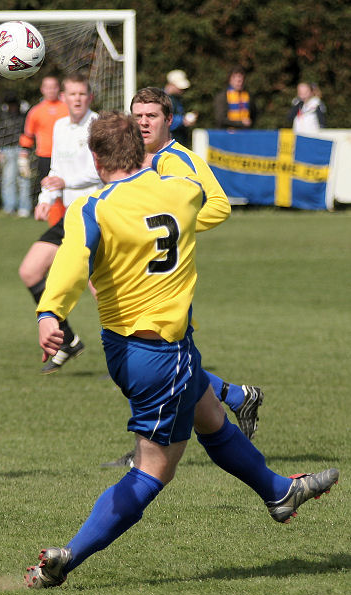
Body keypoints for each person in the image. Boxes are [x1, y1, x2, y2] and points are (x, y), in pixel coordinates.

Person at [24, 112, 339, 589]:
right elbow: (208, 197)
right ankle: (68, 556)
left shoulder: (93, 208)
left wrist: (50, 311)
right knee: (153, 469)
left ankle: (280, 493)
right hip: (158, 356)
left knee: (211, 416)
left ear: (95, 157)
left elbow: (69, 264)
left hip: (142, 348)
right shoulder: (180, 191)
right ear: (143, 150)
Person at [101, 87, 264, 469]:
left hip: (167, 278)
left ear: (168, 119)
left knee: (153, 355)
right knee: (165, 358)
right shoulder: (135, 159)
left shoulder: (179, 160)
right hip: (138, 275)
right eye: (137, 115)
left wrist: (180, 230)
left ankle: (149, 448)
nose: (143, 122)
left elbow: (219, 204)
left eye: (151, 116)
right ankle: (237, 397)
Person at [18, 73, 102, 374]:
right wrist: (45, 198)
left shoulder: (99, 125)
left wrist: (66, 181)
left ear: (90, 97)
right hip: (70, 215)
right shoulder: (60, 126)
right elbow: (55, 170)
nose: (77, 98)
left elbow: (103, 172)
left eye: (82, 93)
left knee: (99, 289)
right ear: (63, 98)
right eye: (72, 94)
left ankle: (136, 352)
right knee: (30, 271)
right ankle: (67, 340)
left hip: (96, 215)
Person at [19, 75, 68, 218]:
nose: (51, 90)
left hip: (66, 155)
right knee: (48, 188)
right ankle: (52, 217)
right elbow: (28, 135)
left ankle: (68, 215)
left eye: (54, 87)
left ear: (58, 89)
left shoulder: (68, 108)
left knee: (66, 187)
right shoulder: (36, 111)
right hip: (45, 156)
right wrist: (23, 157)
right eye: (48, 87)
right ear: (42, 89)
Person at [0, 93, 31, 217]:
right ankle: (9, 207)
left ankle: (24, 208)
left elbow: (28, 131)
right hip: (6, 150)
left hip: (22, 150)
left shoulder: (24, 116)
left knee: (24, 179)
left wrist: (26, 148)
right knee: (8, 180)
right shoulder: (2, 116)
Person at [164, 69, 197, 147]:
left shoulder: (176, 99)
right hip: (169, 142)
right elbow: (163, 120)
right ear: (171, 84)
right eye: (179, 87)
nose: (182, 90)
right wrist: (182, 121)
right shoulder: (161, 99)